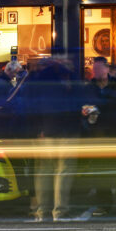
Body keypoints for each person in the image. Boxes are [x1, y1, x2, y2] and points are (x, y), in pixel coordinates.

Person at [27, 57, 83, 222]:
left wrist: (37, 130)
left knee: (44, 172)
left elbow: (31, 106)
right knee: (63, 172)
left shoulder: (39, 79)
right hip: (66, 131)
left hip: (45, 131)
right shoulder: (69, 79)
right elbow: (75, 104)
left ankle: (43, 211)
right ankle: (60, 211)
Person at [81, 57, 116, 217]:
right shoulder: (89, 87)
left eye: (98, 68)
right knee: (101, 173)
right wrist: (86, 114)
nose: (96, 72)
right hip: (97, 135)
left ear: (106, 69)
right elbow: (84, 106)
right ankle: (104, 205)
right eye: (94, 69)